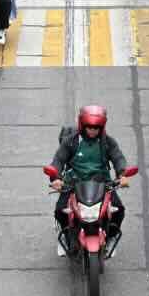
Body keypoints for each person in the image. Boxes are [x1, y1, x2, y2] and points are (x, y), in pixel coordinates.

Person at [48, 105, 130, 256]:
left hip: (102, 184)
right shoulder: (71, 142)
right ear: (82, 125)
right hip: (73, 183)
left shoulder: (108, 142)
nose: (93, 130)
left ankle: (110, 237)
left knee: (119, 210)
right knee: (60, 210)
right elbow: (58, 160)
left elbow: (118, 158)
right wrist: (56, 178)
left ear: (102, 127)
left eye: (96, 127)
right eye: (89, 127)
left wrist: (122, 175)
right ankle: (67, 238)